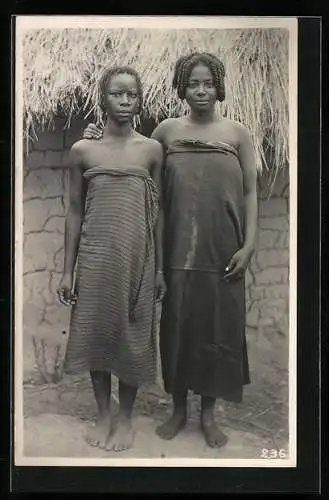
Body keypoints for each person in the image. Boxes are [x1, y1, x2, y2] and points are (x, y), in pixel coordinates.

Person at [83, 52, 258, 449]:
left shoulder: (238, 134)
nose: (201, 91)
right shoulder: (164, 131)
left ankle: (208, 415)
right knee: (178, 327)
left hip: (223, 250)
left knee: (217, 328)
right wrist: (94, 131)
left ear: (219, 87)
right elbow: (126, 145)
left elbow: (251, 192)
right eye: (193, 84)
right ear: (182, 87)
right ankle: (178, 410)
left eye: (208, 84)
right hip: (176, 249)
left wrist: (250, 244)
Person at [57, 65, 165, 453]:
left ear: (139, 100)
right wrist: (68, 270)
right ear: (103, 98)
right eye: (117, 94)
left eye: (131, 95)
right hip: (96, 257)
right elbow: (74, 210)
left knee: (134, 337)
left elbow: (159, 212)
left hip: (138, 257)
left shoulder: (151, 150)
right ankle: (103, 413)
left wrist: (160, 270)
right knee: (95, 331)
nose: (124, 101)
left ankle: (125, 418)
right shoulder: (83, 150)